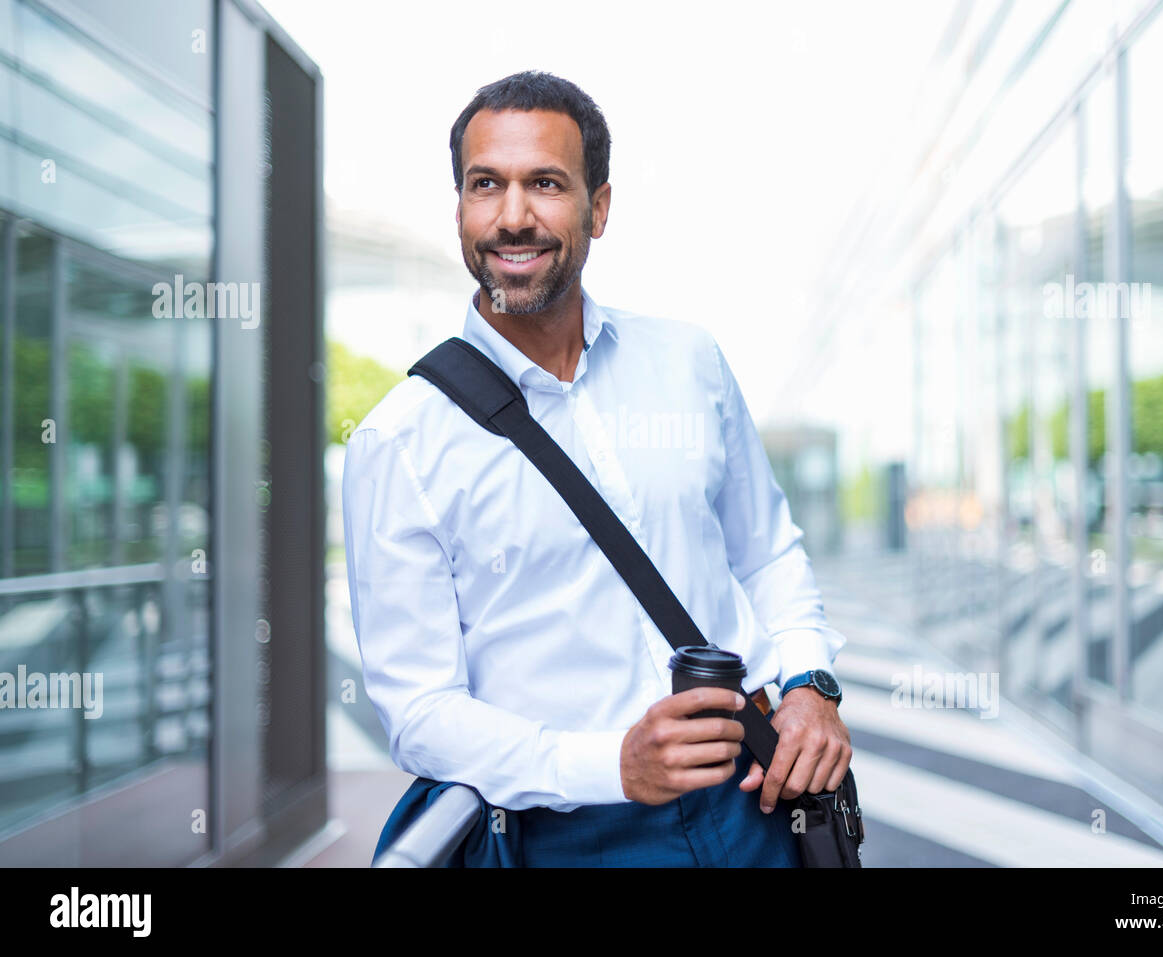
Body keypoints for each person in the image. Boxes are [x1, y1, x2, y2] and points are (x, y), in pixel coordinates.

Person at [342, 69, 851, 866]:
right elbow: (421, 710)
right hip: (567, 834)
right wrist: (611, 764)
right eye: (487, 185)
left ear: (599, 207)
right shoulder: (399, 441)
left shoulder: (690, 362)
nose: (513, 217)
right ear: (460, 209)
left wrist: (812, 683)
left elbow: (767, 553)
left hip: (755, 806)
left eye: (545, 183)